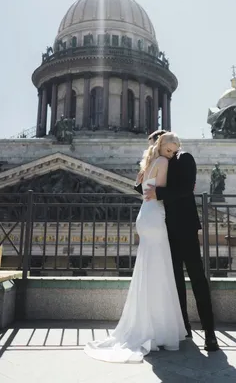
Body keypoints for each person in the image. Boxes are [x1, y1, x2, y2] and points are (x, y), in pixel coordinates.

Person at [84, 132, 186, 363]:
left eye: (174, 151)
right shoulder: (162, 162)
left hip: (145, 216)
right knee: (159, 270)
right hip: (154, 216)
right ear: (162, 146)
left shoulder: (149, 163)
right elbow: (161, 191)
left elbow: (144, 189)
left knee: (149, 269)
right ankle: (158, 328)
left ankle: (147, 324)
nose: (173, 154)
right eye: (170, 149)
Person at [135, 130, 219, 352]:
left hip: (184, 227)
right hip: (164, 228)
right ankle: (184, 328)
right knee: (175, 281)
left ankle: (210, 333)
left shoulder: (185, 158)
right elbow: (141, 189)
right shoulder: (160, 160)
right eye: (162, 148)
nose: (165, 151)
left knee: (197, 278)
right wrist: (147, 169)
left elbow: (186, 188)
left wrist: (158, 193)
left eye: (163, 146)